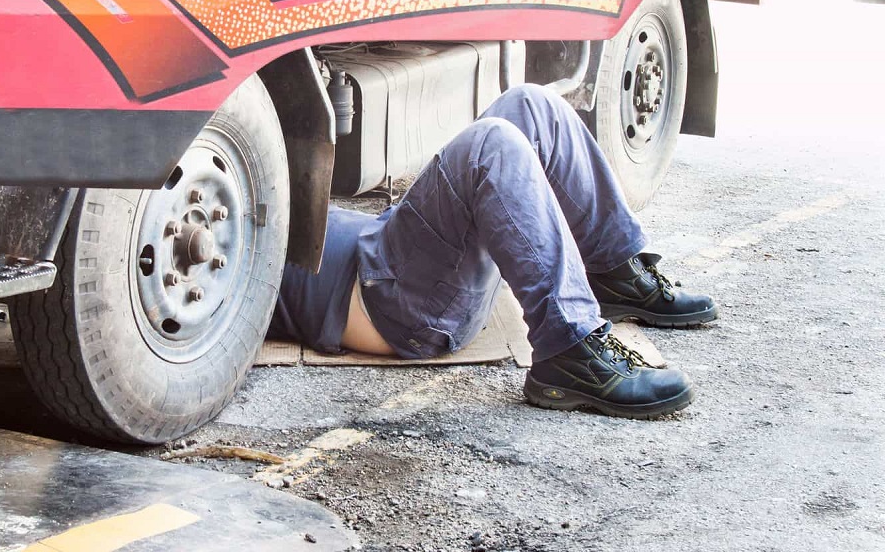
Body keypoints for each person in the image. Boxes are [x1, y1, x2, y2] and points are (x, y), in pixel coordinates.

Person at [268, 84, 717, 419]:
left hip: (392, 251)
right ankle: (571, 351)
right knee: (490, 146)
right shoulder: (219, 265)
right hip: (390, 298)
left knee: (530, 105)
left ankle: (614, 273)